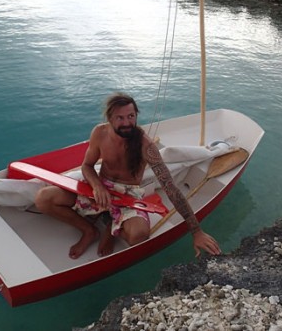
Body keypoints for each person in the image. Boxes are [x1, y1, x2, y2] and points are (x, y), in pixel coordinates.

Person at [35, 92, 222, 259]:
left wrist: (196, 231)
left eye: (131, 116)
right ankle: (89, 230)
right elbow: (87, 166)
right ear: (109, 118)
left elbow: (170, 188)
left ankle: (111, 225)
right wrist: (98, 186)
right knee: (44, 198)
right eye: (120, 118)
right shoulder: (99, 133)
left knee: (138, 235)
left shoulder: (145, 145)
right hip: (99, 188)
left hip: (128, 196)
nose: (127, 123)